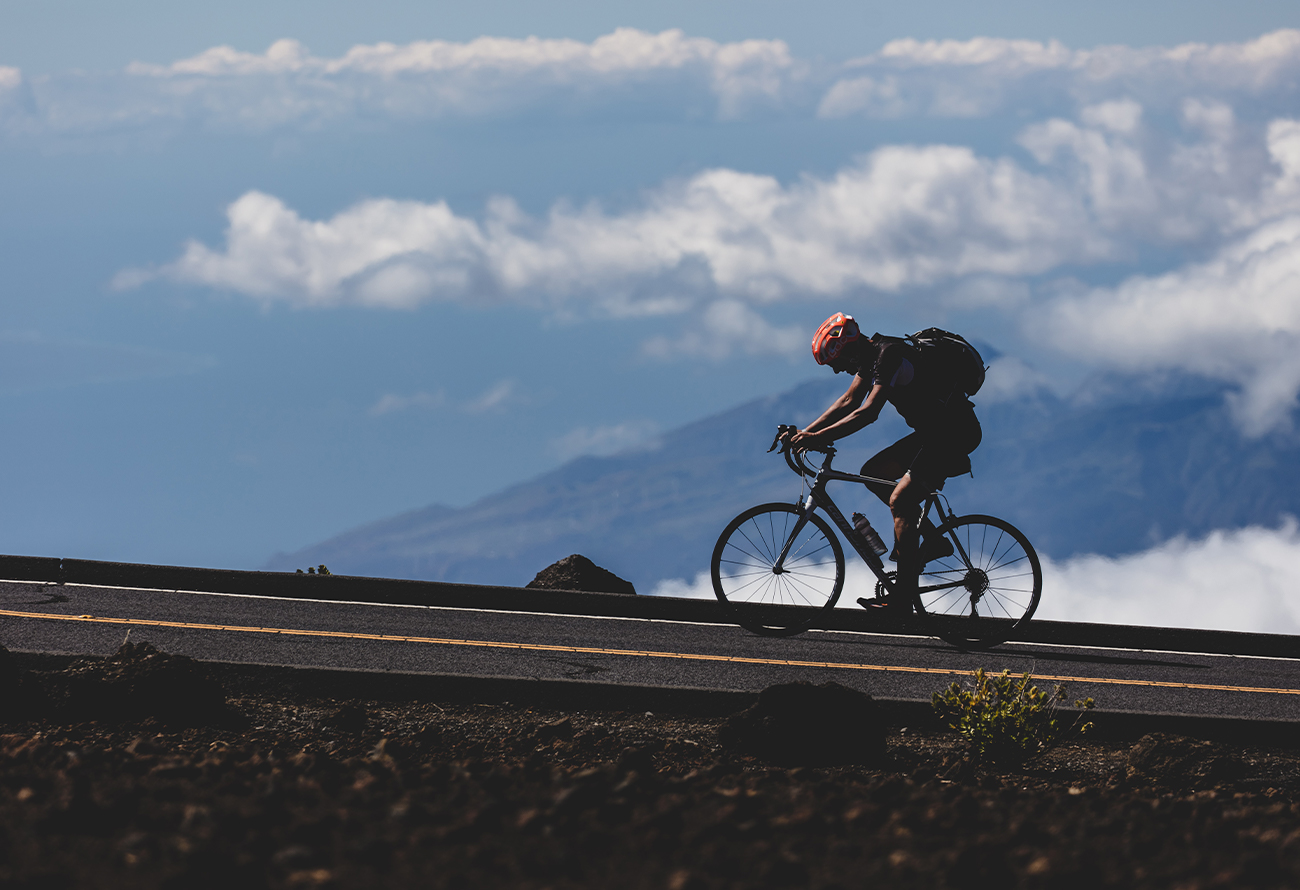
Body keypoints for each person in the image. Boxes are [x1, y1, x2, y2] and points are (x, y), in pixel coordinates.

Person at [787, 312, 982, 610]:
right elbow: (848, 401)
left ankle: (903, 598)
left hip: (954, 433)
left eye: (836, 363)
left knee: (901, 501)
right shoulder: (871, 357)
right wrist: (805, 433)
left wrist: (816, 438)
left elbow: (867, 412)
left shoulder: (889, 355)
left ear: (847, 350)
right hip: (933, 432)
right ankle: (933, 541)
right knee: (873, 473)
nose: (838, 371)